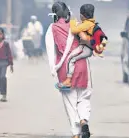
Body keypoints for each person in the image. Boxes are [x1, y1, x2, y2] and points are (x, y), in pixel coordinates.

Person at [45, 2, 104, 138]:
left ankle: (75, 134)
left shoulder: (52, 28)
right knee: (84, 97)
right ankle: (84, 120)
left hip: (65, 70)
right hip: (82, 65)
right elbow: (88, 41)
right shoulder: (77, 25)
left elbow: (50, 52)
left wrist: (54, 70)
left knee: (70, 103)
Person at [56, 4, 108, 89]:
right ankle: (69, 80)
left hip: (86, 48)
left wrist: (72, 21)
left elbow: (74, 30)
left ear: (82, 15)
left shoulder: (87, 24)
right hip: (86, 48)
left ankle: (68, 81)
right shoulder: (90, 23)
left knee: (70, 59)